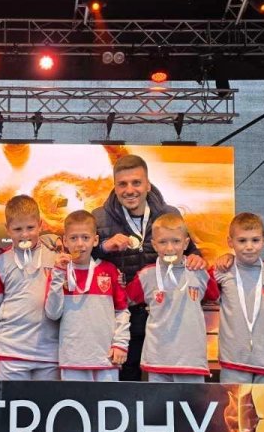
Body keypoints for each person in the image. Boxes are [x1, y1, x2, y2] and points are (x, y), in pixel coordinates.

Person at [92, 154, 205, 380]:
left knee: (165, 380)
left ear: (148, 184)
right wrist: (104, 246)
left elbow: (191, 250)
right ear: (114, 186)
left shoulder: (169, 214)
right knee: (127, 379)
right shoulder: (99, 217)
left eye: (136, 182)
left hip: (165, 314)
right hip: (124, 315)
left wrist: (197, 258)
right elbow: (82, 256)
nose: (130, 190)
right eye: (122, 184)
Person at [124, 213, 218, 382]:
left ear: (186, 243)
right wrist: (116, 281)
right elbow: (123, 300)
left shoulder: (198, 272)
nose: (169, 248)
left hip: (191, 360)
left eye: (176, 241)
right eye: (163, 242)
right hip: (158, 358)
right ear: (154, 245)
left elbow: (215, 294)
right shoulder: (146, 275)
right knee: (159, 400)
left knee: (191, 400)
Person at [0, 194, 60, 380]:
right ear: (8, 230)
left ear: (40, 225)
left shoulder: (57, 258)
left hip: (49, 353)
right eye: (17, 229)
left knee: (48, 400)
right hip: (10, 353)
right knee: (11, 400)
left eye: (30, 228)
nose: (25, 234)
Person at [45, 210, 129, 381]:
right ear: (65, 241)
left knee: (107, 399)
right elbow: (52, 314)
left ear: (95, 240)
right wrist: (58, 275)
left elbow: (121, 310)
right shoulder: (58, 272)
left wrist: (120, 343)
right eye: (73, 238)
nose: (80, 244)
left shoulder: (109, 270)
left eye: (85, 237)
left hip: (106, 358)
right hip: (72, 359)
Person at [214, 213, 264, 384]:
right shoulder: (222, 271)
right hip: (233, 360)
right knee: (233, 403)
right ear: (230, 242)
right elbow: (203, 287)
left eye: (255, 240)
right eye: (242, 241)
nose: (249, 246)